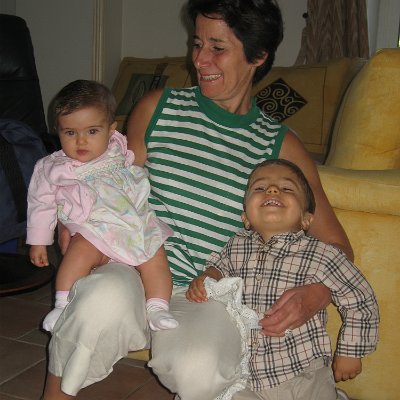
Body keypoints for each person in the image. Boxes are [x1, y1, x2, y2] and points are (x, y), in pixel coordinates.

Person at [45, 1, 354, 399]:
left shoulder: (281, 146)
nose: (199, 59)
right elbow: (108, 180)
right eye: (197, 44)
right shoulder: (158, 108)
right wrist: (69, 221)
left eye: (218, 48)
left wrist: (317, 293)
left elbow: (337, 244)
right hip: (133, 265)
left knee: (200, 367)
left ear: (258, 56)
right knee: (95, 303)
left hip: (206, 290)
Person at [186, 158, 379, 400]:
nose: (272, 190)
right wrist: (208, 277)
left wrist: (350, 351)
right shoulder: (236, 246)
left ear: (306, 220)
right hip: (245, 374)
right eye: (260, 187)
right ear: (246, 218)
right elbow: (219, 268)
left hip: (303, 369)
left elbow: (359, 296)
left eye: (286, 188)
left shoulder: (320, 253)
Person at [27, 80, 178, 335]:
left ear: (111, 131)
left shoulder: (118, 150)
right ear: (57, 131)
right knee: (78, 253)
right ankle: (62, 304)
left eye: (92, 131)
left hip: (132, 225)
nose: (81, 141)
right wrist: (38, 242)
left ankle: (158, 307)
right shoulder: (52, 167)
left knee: (156, 255)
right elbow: (40, 203)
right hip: (92, 227)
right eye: (70, 133)